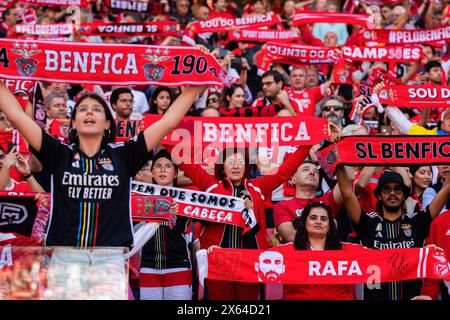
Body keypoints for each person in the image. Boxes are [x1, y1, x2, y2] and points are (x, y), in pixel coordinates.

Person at [0, 80, 205, 248]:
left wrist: (196, 84)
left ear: (107, 123)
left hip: (110, 260)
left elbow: (168, 122)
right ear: (73, 122)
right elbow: (17, 116)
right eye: (83, 109)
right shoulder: (58, 153)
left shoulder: (125, 154)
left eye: (97, 109)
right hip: (65, 259)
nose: (89, 113)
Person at [177, 142, 315, 300]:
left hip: (250, 260)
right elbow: (185, 164)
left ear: (246, 166)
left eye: (240, 162)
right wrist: (163, 133)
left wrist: (306, 145)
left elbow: (285, 171)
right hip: (218, 257)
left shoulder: (259, 186)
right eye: (230, 162)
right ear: (222, 167)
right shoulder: (211, 185)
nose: (236, 166)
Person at [336, 166, 450, 300]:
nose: (392, 193)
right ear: (378, 195)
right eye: (386, 189)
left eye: (397, 189)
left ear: (403, 196)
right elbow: (347, 193)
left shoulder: (417, 222)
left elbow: (446, 188)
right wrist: (337, 161)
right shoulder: (367, 223)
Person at [139, 150, 193, 300]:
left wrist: (178, 210)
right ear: (152, 173)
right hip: (148, 266)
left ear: (176, 173)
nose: (163, 169)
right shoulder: (139, 198)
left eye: (168, 166)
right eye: (158, 166)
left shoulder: (188, 198)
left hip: (178, 265)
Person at [283, 202, 357, 300]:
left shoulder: (349, 251)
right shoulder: (285, 252)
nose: (318, 222)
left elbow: (377, 258)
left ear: (330, 226)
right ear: (304, 222)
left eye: (324, 219)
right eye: (313, 218)